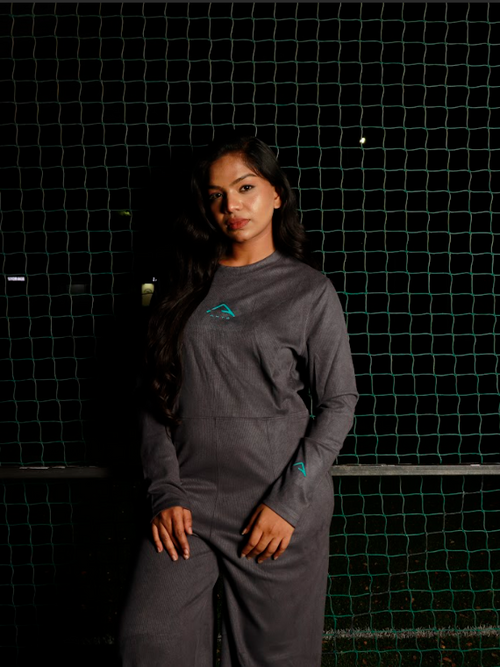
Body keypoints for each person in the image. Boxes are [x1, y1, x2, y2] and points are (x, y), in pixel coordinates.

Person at [117, 134, 359, 666]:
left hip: (274, 510)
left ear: (276, 194)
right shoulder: (181, 286)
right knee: (149, 641)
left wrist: (288, 502)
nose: (231, 205)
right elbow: (151, 395)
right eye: (216, 195)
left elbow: (340, 401)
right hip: (187, 505)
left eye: (245, 187)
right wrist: (165, 490)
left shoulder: (309, 291)